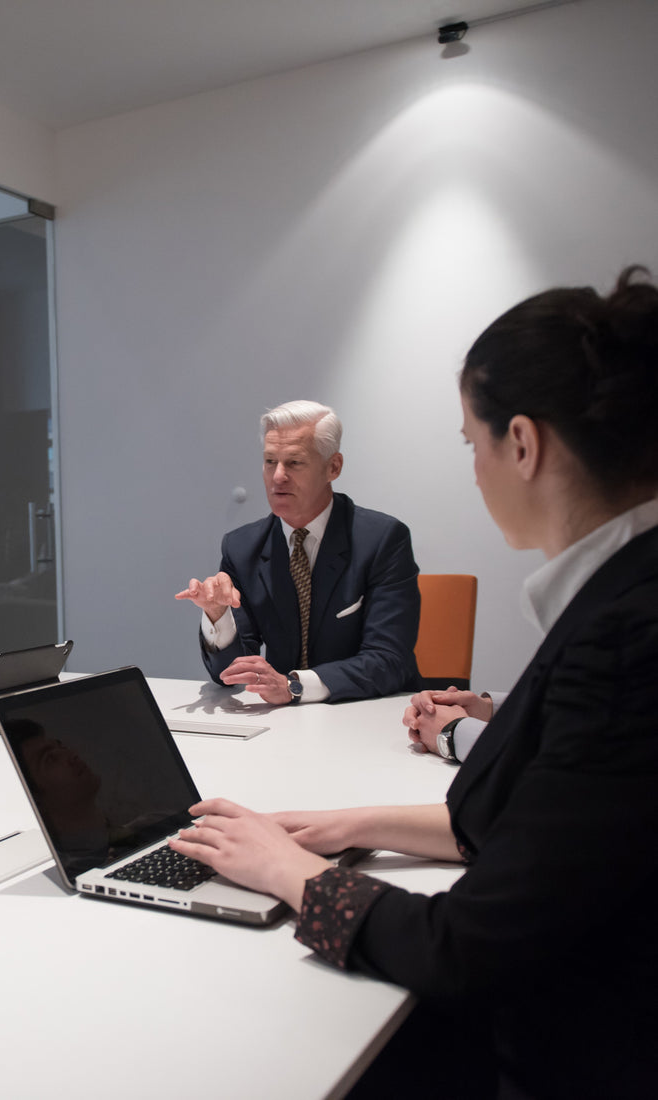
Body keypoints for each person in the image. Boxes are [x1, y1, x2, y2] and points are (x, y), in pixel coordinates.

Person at [169, 267, 658, 1097]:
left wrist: (287, 872)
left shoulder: (620, 642)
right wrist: (340, 823)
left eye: (472, 443)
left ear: (525, 445)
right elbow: (538, 823)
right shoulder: (620, 600)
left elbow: (461, 946)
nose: (473, 470)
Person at [175, 400, 420, 704]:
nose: (278, 476)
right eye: (269, 461)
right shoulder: (241, 548)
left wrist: (294, 685)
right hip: (284, 725)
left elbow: (389, 659)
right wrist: (218, 615)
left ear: (334, 467)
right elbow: (230, 673)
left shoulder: (382, 539)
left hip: (366, 712)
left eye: (294, 463)